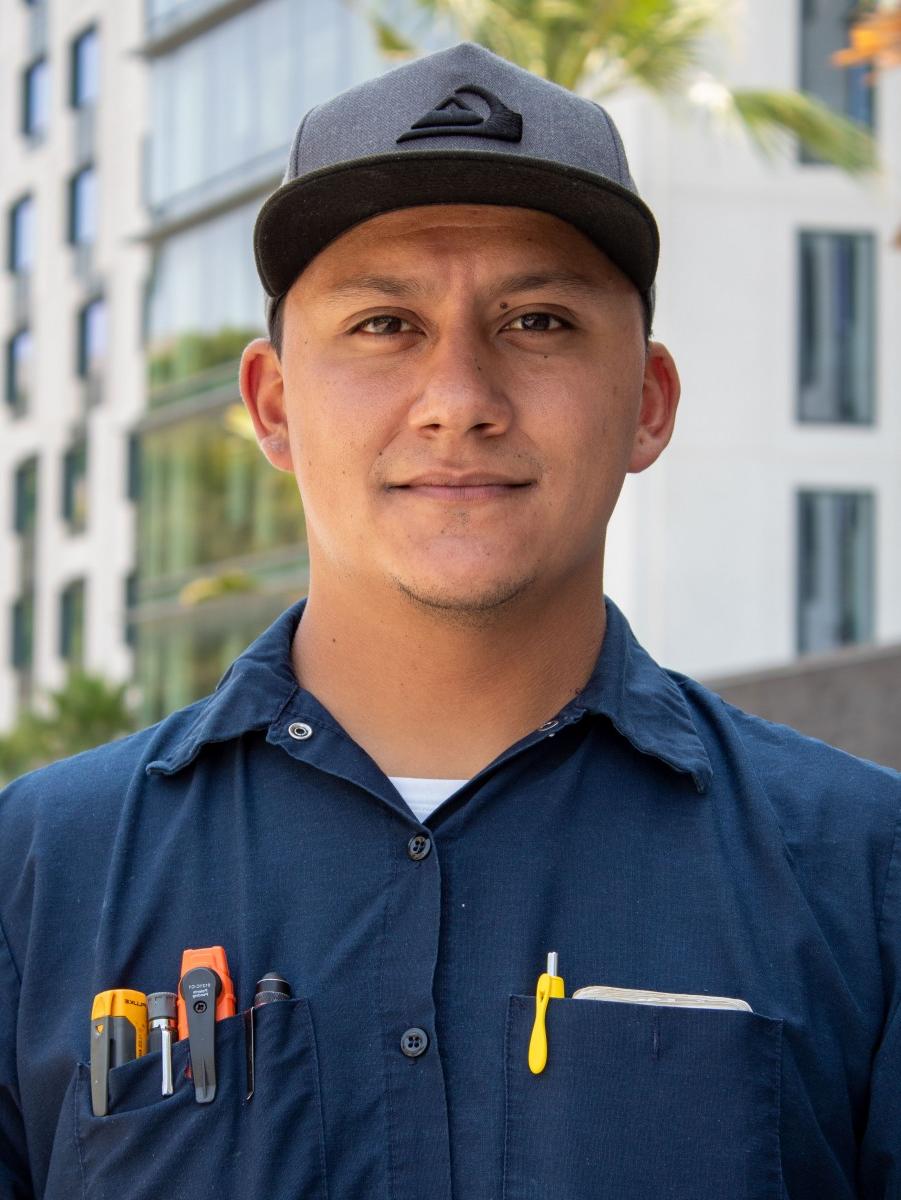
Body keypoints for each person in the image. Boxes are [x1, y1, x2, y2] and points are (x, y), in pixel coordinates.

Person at [0, 41, 898, 1200]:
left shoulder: (863, 875)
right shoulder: (34, 877)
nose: (460, 400)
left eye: (537, 322)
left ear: (648, 403)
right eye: (384, 325)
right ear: (274, 407)